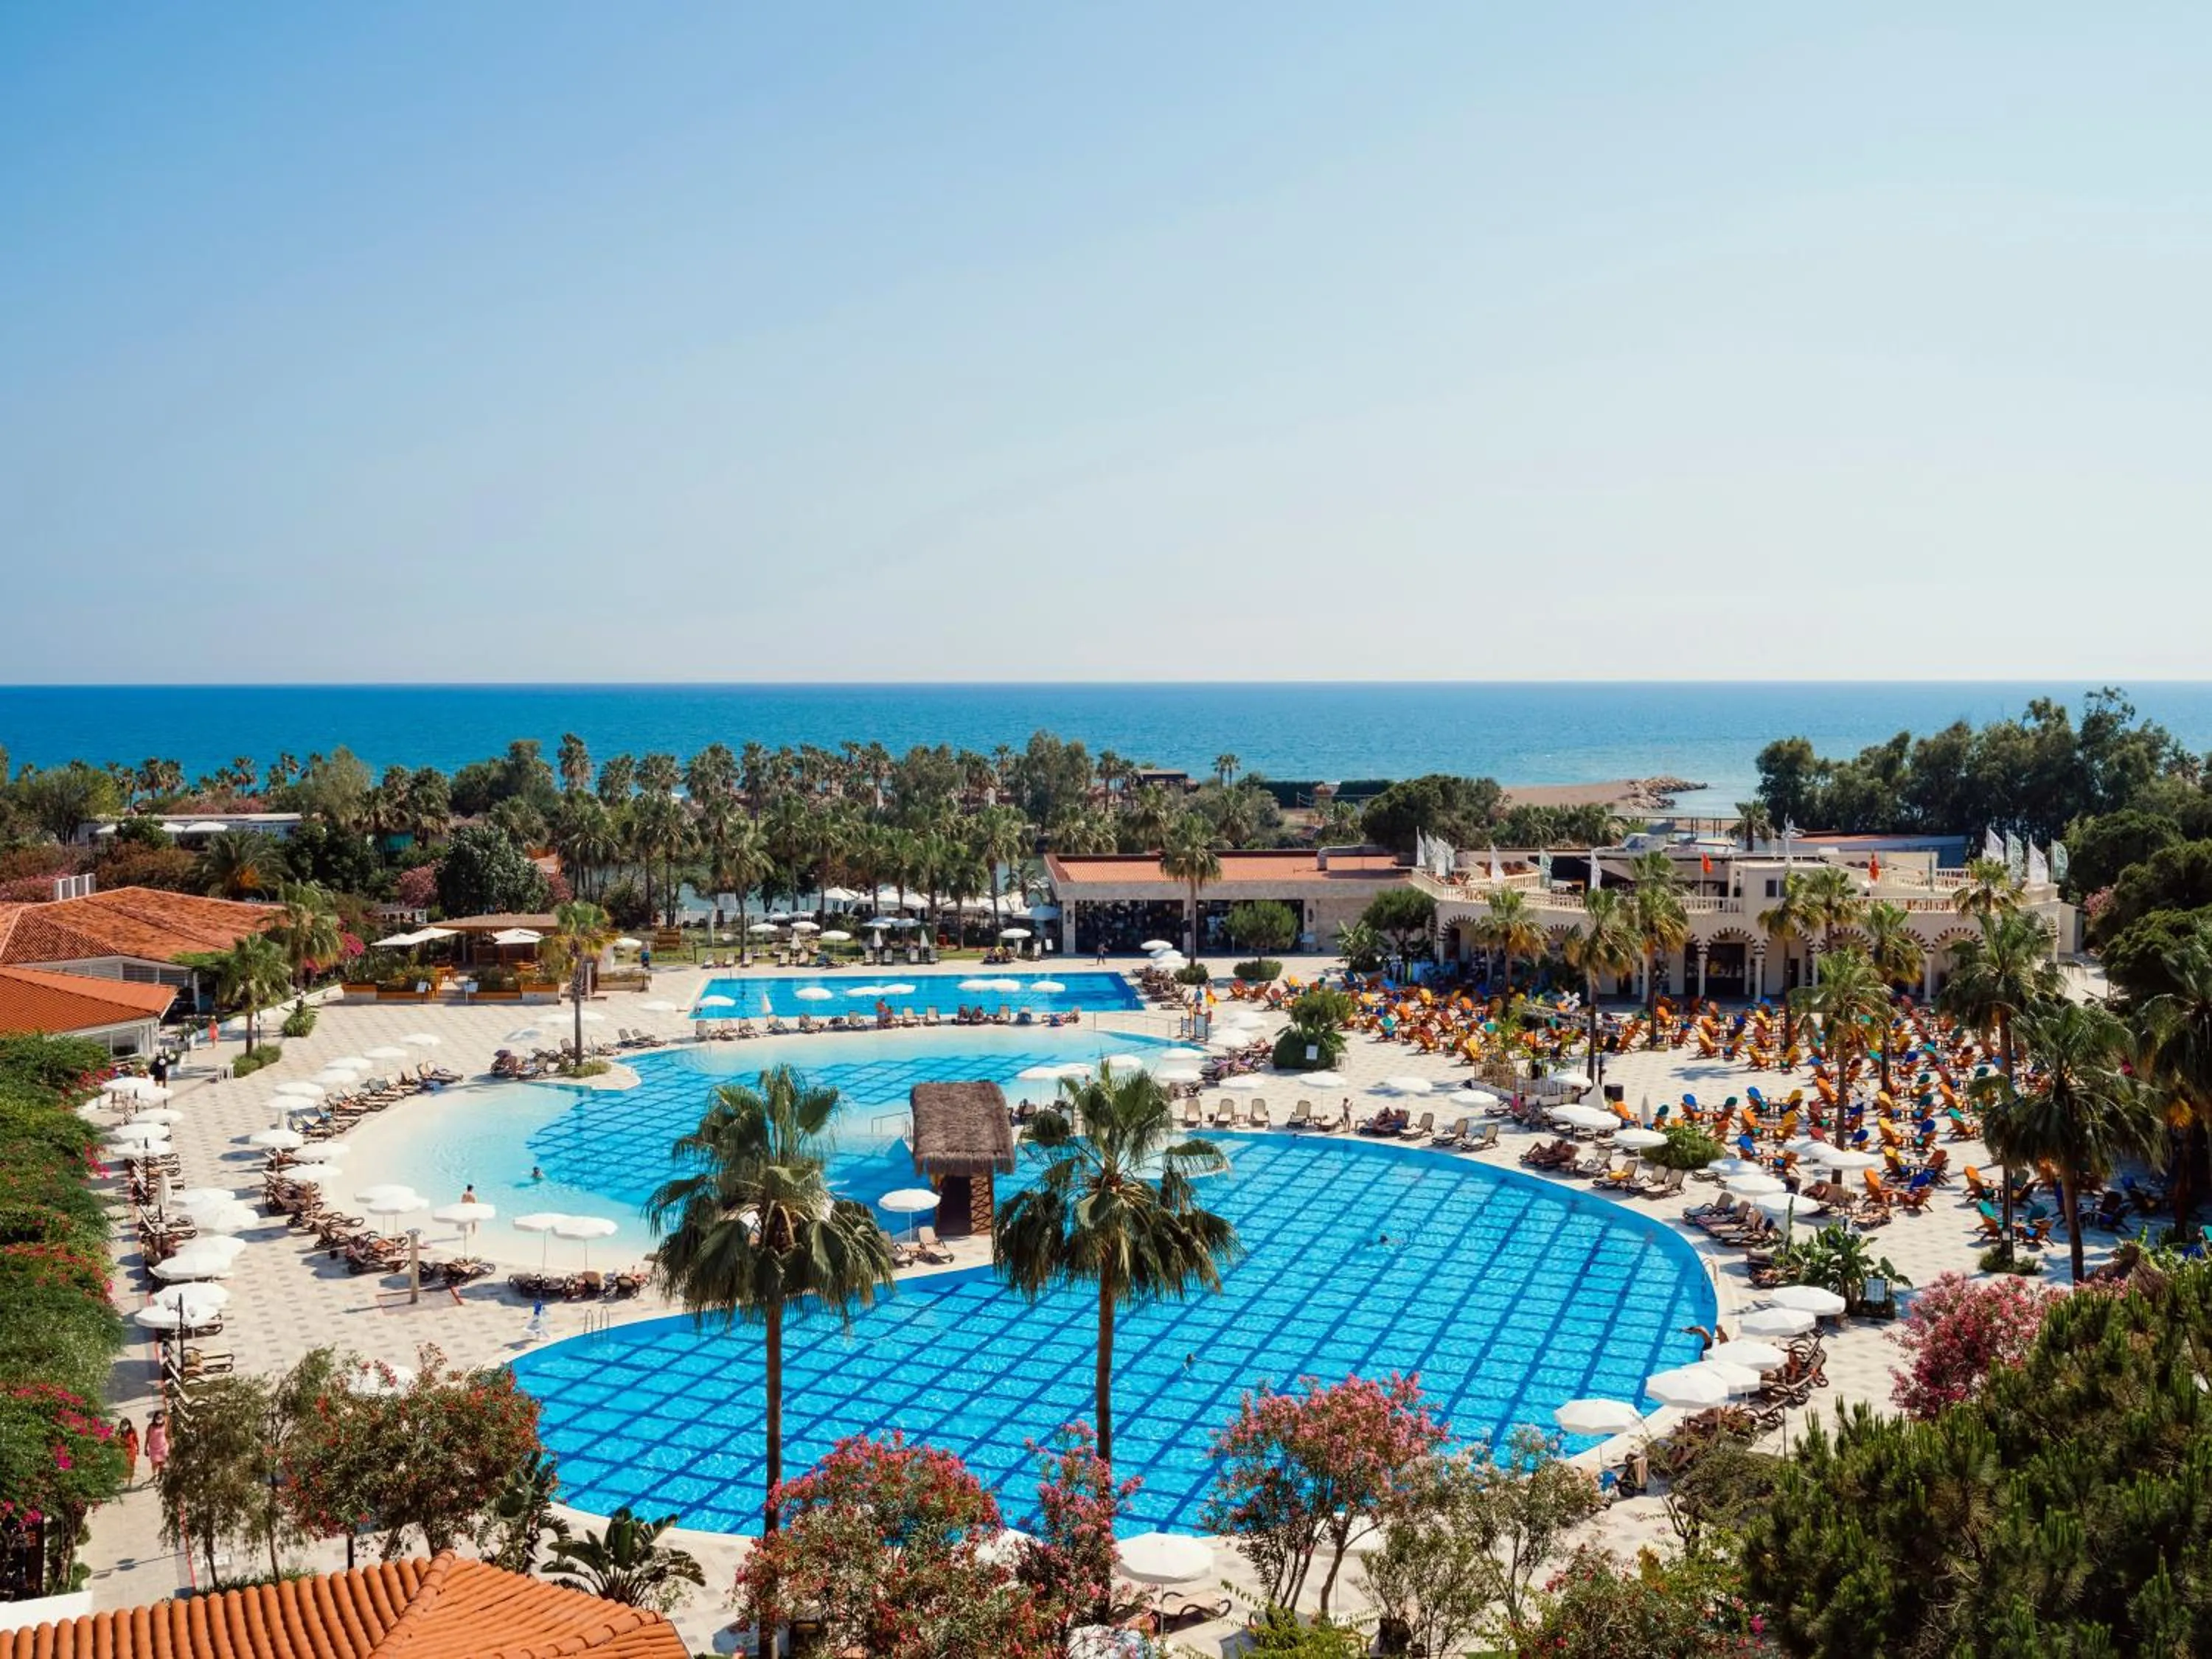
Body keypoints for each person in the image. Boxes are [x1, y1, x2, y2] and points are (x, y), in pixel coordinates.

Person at [145, 1411, 169, 1478]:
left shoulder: (165, 1425)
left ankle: (160, 1477)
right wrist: (145, 1449)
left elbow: (167, 1435)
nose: (159, 1419)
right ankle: (154, 1475)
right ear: (155, 1418)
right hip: (153, 1449)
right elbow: (147, 1438)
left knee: (162, 1464)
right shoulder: (150, 1427)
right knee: (154, 1464)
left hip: (163, 1448)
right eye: (158, 1417)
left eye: (161, 1417)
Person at [117, 1416, 139, 1486]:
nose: (123, 1427)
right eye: (122, 1426)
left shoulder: (133, 1431)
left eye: (125, 1425)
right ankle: (122, 1480)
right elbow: (116, 1442)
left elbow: (136, 1440)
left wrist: (138, 1449)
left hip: (131, 1452)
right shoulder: (119, 1433)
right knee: (123, 1467)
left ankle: (130, 1483)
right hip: (123, 1452)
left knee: (131, 1467)